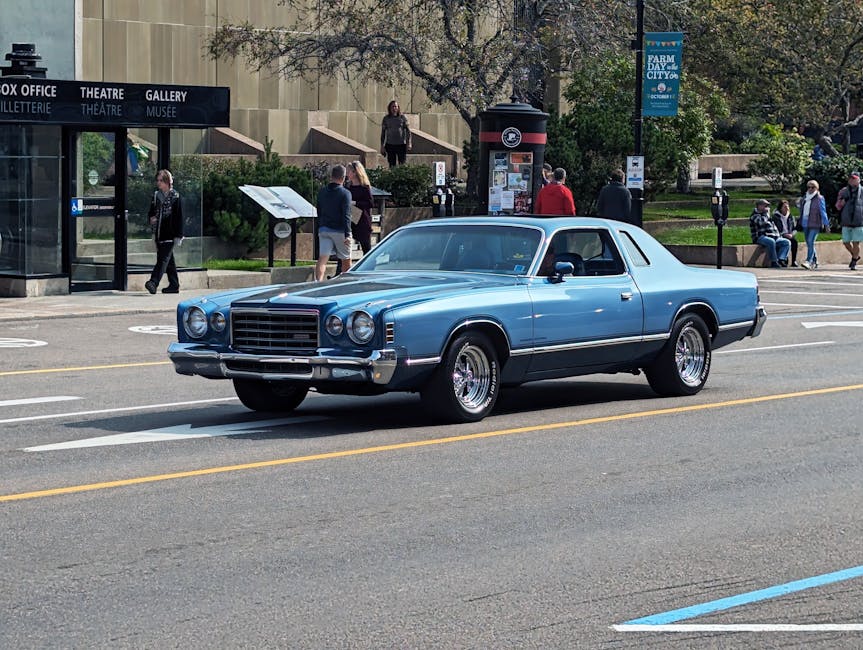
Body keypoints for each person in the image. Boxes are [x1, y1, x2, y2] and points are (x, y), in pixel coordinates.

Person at [144, 169, 183, 294]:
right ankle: (174, 285)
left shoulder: (175, 197)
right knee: (168, 260)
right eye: (158, 180)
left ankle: (153, 282)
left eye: (161, 180)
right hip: (159, 233)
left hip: (170, 234)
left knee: (163, 259)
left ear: (167, 182)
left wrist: (179, 235)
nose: (158, 183)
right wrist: (151, 218)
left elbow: (179, 217)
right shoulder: (156, 196)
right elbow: (151, 212)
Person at [315, 164, 353, 282]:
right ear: (343, 177)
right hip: (340, 230)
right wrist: (348, 234)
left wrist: (320, 226)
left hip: (324, 229)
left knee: (322, 259)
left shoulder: (322, 192)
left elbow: (319, 210)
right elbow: (346, 215)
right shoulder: (345, 193)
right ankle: (345, 283)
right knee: (346, 259)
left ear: (331, 176)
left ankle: (318, 282)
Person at [796, 180, 829, 269]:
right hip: (805, 223)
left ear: (817, 188)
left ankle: (808, 261)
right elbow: (801, 210)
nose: (810, 189)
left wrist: (826, 224)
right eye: (809, 187)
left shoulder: (819, 198)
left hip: (815, 223)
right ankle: (815, 260)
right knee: (809, 243)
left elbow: (823, 211)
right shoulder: (804, 198)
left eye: (813, 187)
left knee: (811, 241)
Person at [749, 198, 790, 268]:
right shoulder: (755, 215)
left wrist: (778, 235)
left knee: (786, 242)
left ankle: (781, 259)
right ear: (759, 206)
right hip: (760, 237)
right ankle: (774, 261)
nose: (767, 207)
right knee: (771, 242)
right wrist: (766, 214)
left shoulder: (766, 215)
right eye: (765, 206)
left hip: (773, 236)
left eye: (767, 206)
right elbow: (761, 223)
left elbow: (773, 227)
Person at [835, 171, 863, 270]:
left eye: (854, 179)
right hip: (846, 220)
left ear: (859, 180)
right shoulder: (843, 191)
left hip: (859, 220)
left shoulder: (862, 191)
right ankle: (855, 255)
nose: (852, 180)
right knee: (846, 242)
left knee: (856, 242)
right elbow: (837, 206)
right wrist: (841, 202)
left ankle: (854, 261)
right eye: (851, 178)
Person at [346, 160, 374, 257]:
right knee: (345, 247)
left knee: (366, 248)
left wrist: (356, 203)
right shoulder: (348, 187)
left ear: (355, 172)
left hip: (362, 220)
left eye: (349, 171)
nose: (347, 173)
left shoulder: (365, 187)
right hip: (351, 218)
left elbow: (370, 203)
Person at [380, 100, 411, 167]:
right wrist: (382, 146)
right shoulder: (386, 119)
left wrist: (409, 142)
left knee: (402, 164)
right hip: (390, 144)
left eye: (395, 106)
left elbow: (408, 131)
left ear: (398, 108)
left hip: (401, 144)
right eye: (392, 107)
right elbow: (383, 133)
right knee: (392, 164)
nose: (394, 108)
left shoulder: (402, 118)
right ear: (389, 108)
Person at [771, 199, 798, 267]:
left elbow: (795, 228)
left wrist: (792, 234)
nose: (787, 208)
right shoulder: (776, 217)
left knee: (794, 242)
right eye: (785, 207)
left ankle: (794, 261)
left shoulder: (790, 217)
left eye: (788, 206)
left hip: (789, 235)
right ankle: (783, 259)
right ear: (780, 208)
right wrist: (783, 234)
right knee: (785, 242)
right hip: (780, 235)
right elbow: (775, 229)